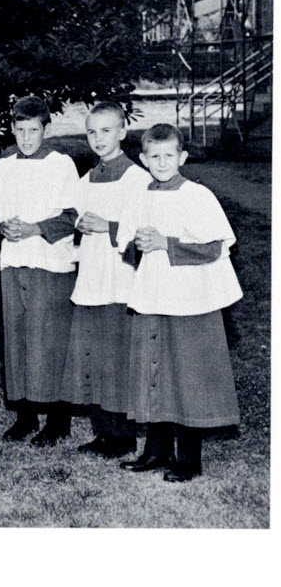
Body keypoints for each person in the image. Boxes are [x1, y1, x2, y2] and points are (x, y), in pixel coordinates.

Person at [117, 123, 241, 482]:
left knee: (187, 375)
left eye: (168, 155)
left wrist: (166, 243)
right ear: (143, 159)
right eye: (154, 156)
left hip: (189, 299)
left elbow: (214, 247)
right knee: (154, 371)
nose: (161, 162)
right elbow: (126, 245)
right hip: (152, 295)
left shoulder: (197, 196)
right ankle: (156, 450)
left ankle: (188, 459)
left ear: (182, 157)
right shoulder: (139, 196)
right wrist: (137, 246)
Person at [60, 102, 152, 457]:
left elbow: (143, 228)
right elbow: (74, 214)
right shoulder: (86, 179)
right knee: (94, 354)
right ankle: (102, 431)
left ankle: (123, 435)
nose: (98, 139)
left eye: (106, 131)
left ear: (123, 131)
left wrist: (108, 226)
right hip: (92, 275)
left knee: (118, 356)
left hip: (120, 278)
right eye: (92, 132)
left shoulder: (137, 179)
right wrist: (80, 223)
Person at [0, 96, 79, 447]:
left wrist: (34, 229)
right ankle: (25, 415)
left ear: (45, 129)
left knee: (51, 340)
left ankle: (58, 421)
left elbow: (73, 215)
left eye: (33, 130)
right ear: (12, 129)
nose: (26, 138)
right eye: (20, 130)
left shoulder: (61, 164)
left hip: (50, 262)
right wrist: (4, 227)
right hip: (14, 261)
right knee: (17, 338)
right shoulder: (3, 166)